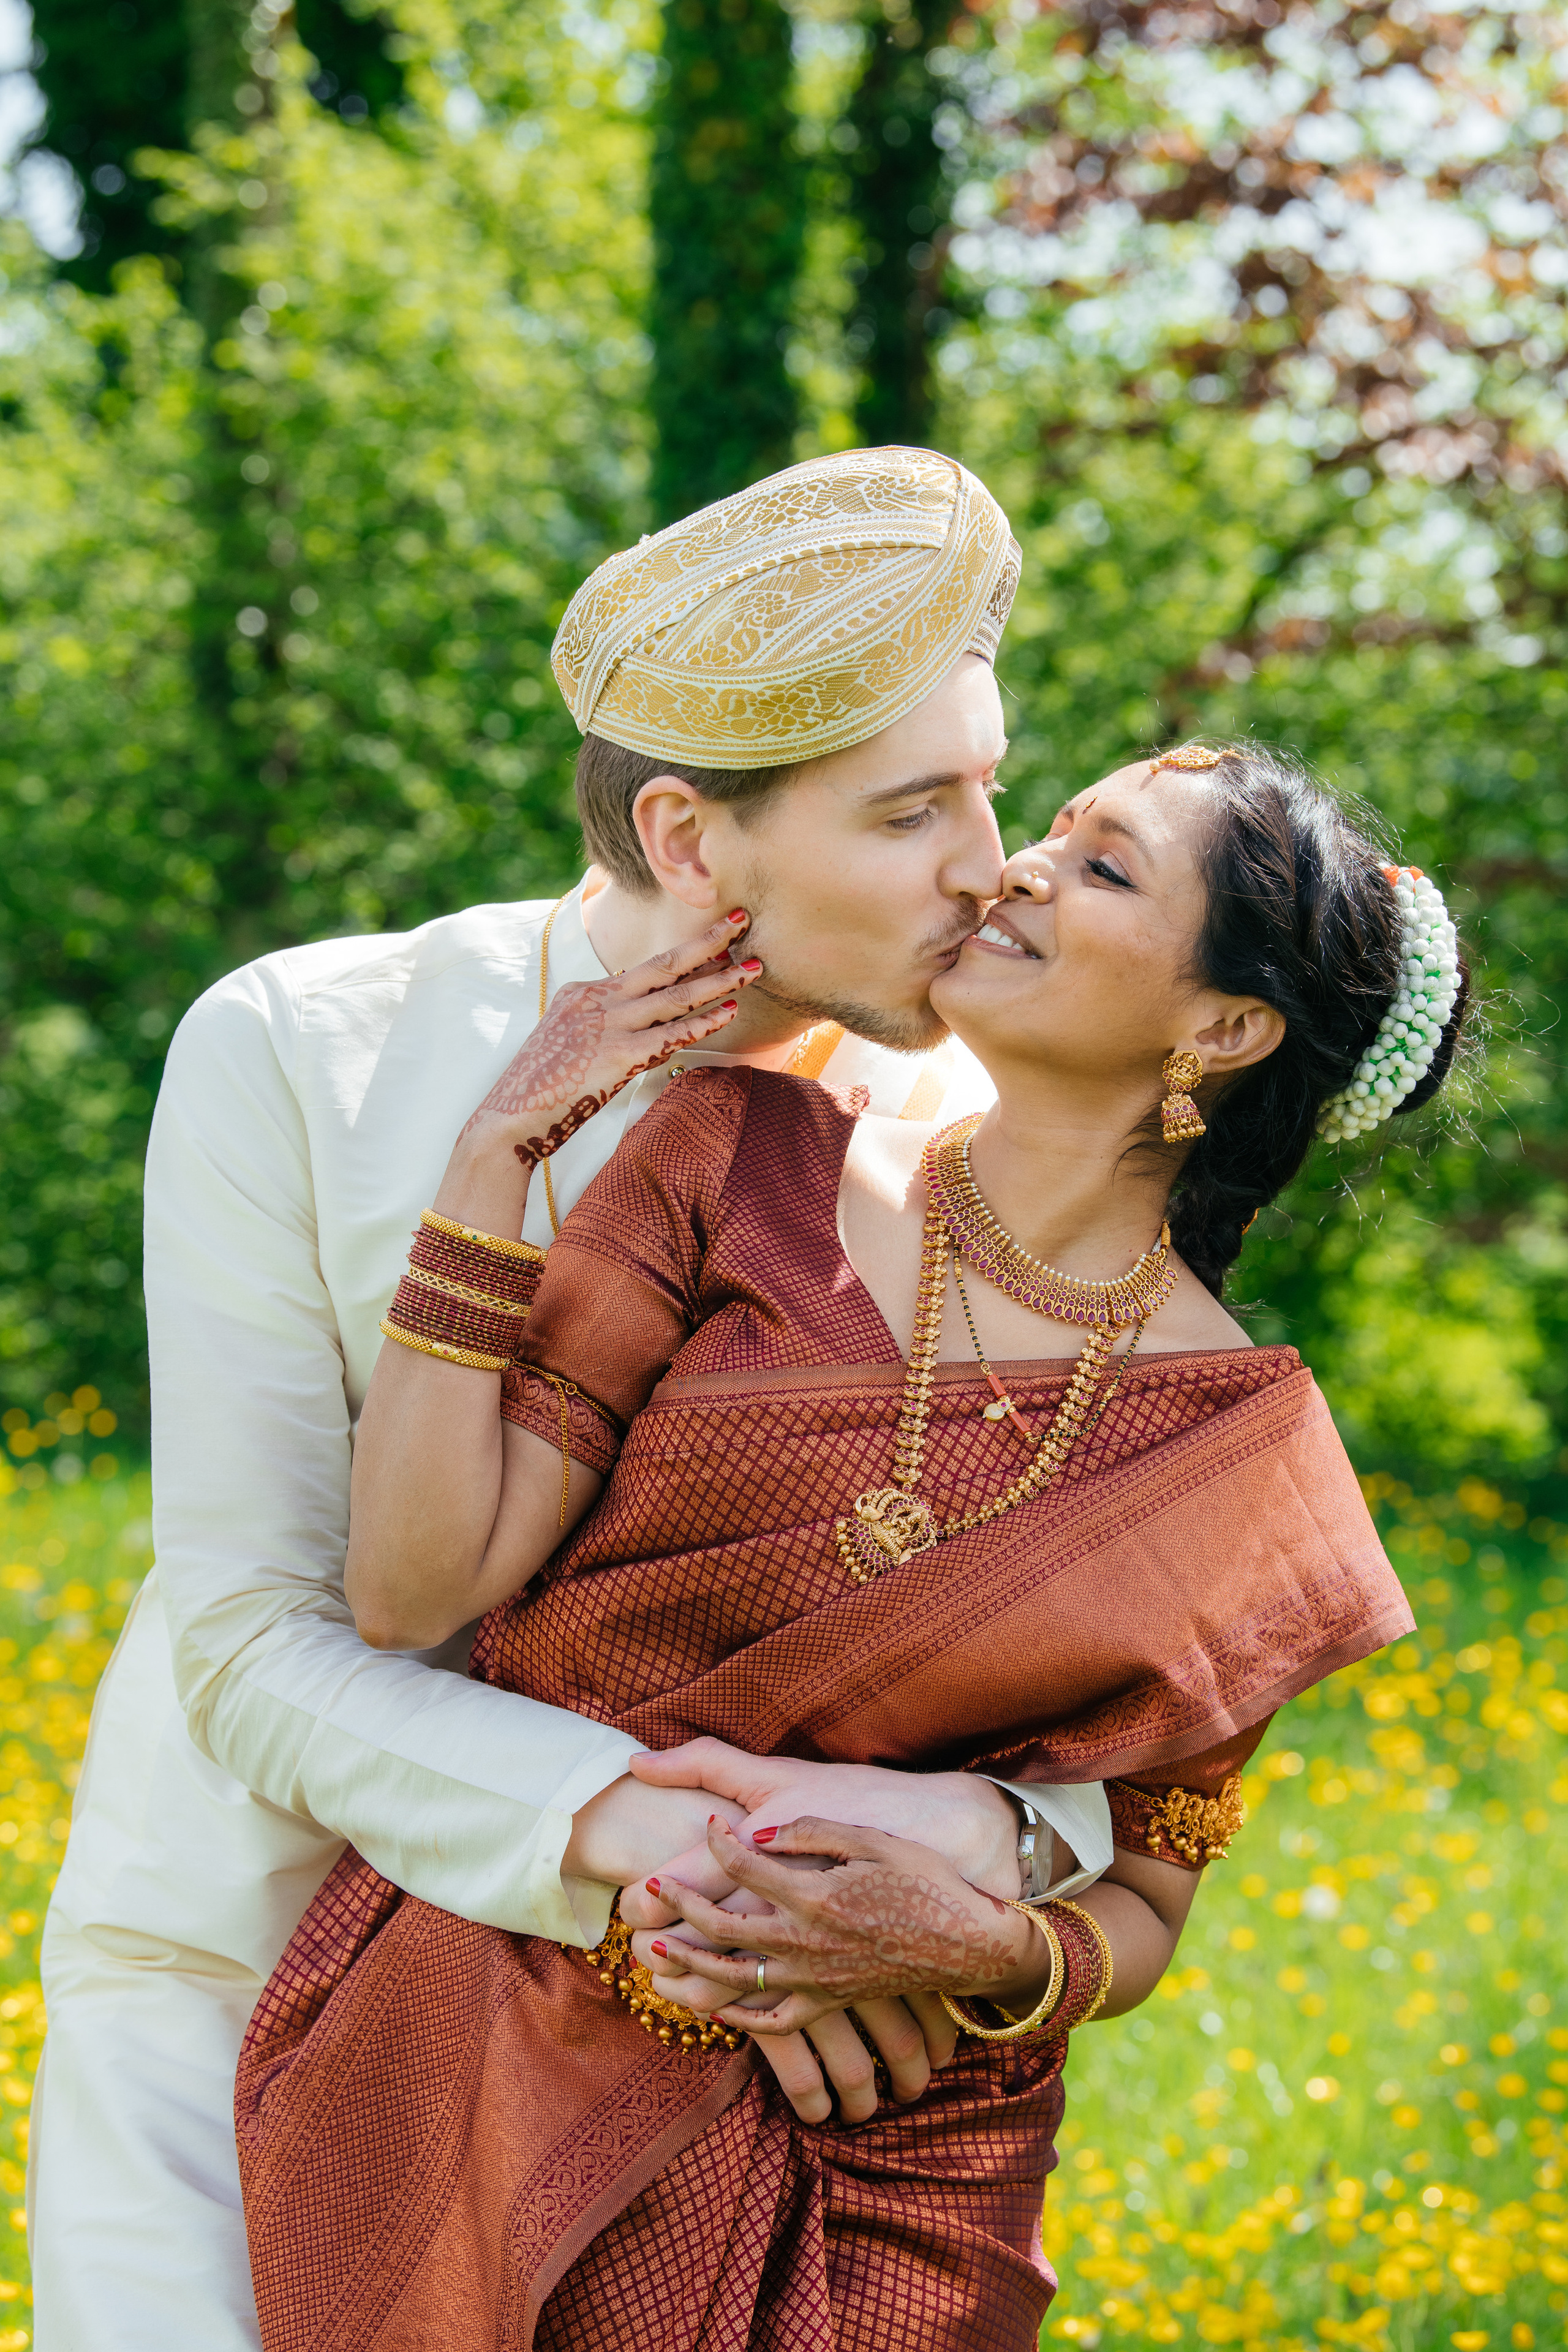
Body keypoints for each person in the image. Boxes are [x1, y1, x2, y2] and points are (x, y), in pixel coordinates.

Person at [236, 743, 1463, 2349]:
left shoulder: (1239, 1461)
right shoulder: (738, 1162)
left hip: (885, 2150)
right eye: (1059, 826)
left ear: (1221, 1029)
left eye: (1102, 868)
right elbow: (411, 1590)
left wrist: (978, 1946)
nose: (1016, 864)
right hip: (491, 2014)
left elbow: (1149, 1904)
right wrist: (492, 1164)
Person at [29, 446, 1041, 2350]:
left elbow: (1057, 1642)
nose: (992, 867)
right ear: (687, 838)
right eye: (919, 813)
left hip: (708, 2070)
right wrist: (713, 1863)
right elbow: (247, 1641)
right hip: (228, 1987)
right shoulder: (298, 1049)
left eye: (993, 788)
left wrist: (981, 1891)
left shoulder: (978, 1145)